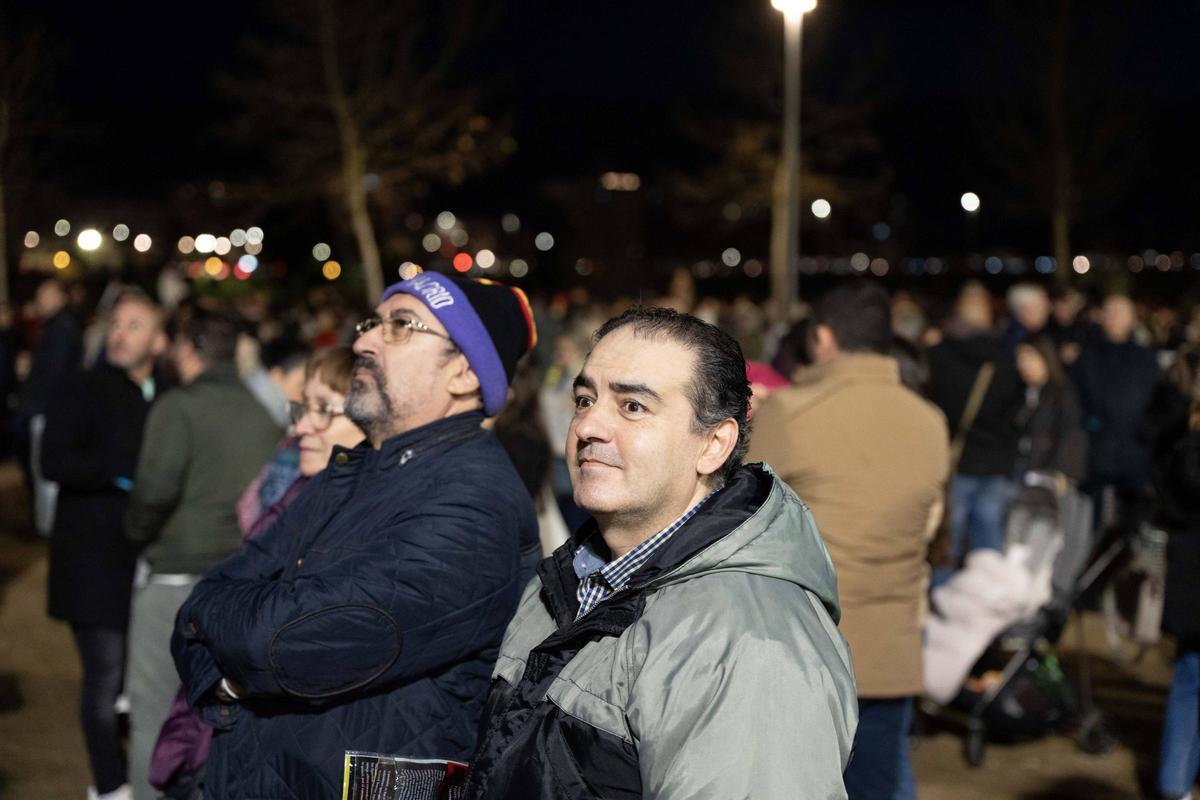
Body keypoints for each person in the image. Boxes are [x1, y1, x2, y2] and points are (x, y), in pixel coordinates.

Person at [171, 274, 541, 799]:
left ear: (463, 372)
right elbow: (202, 600)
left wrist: (230, 674)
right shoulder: (354, 469)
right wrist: (228, 653)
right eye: (372, 322)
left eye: (401, 327)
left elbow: (278, 643)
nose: (363, 340)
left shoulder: (475, 506)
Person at [464, 307, 857, 799]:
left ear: (714, 444)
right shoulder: (565, 581)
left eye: (633, 407)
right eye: (585, 399)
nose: (589, 426)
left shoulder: (748, 645)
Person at [749, 282, 948, 800]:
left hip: (805, 652)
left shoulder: (790, 414)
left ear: (823, 338)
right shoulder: (930, 422)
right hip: (893, 650)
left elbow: (736, 522)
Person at [148, 345, 364, 798]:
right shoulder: (296, 491)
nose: (302, 424)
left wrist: (228, 676)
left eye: (324, 409)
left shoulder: (351, 519)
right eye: (302, 406)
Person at [123, 309, 283, 800]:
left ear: (187, 349)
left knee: (153, 715)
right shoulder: (262, 413)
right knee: (211, 720)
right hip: (238, 584)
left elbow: (153, 493)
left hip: (175, 578)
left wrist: (135, 532)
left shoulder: (178, 407)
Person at [41, 292, 169, 800]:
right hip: (91, 563)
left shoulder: (167, 394)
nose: (119, 333)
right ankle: (111, 785)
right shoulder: (82, 388)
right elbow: (54, 461)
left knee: (137, 681)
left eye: (134, 326)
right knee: (103, 677)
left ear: (158, 340)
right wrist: (120, 472)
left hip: (144, 565)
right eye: (116, 323)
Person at [927, 282, 1024, 583]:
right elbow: (1015, 412)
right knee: (988, 545)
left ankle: (940, 606)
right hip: (994, 460)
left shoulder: (937, 356)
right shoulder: (1004, 360)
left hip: (955, 458)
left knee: (947, 543)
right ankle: (984, 609)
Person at [1073, 294, 1160, 527]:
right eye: (1108, 311)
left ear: (1132, 319)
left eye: (1120, 312)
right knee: (1090, 523)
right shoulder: (1086, 356)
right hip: (1094, 453)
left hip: (1135, 455)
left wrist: (1147, 432)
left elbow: (1155, 403)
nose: (1113, 318)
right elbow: (1076, 401)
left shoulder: (1146, 358)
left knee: (1132, 526)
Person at [14, 277, 83, 534]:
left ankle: (51, 528)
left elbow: (55, 375)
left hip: (48, 412)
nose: (40, 299)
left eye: (46, 293)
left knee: (46, 474)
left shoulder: (61, 328)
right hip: (45, 410)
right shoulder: (54, 327)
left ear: (60, 297)